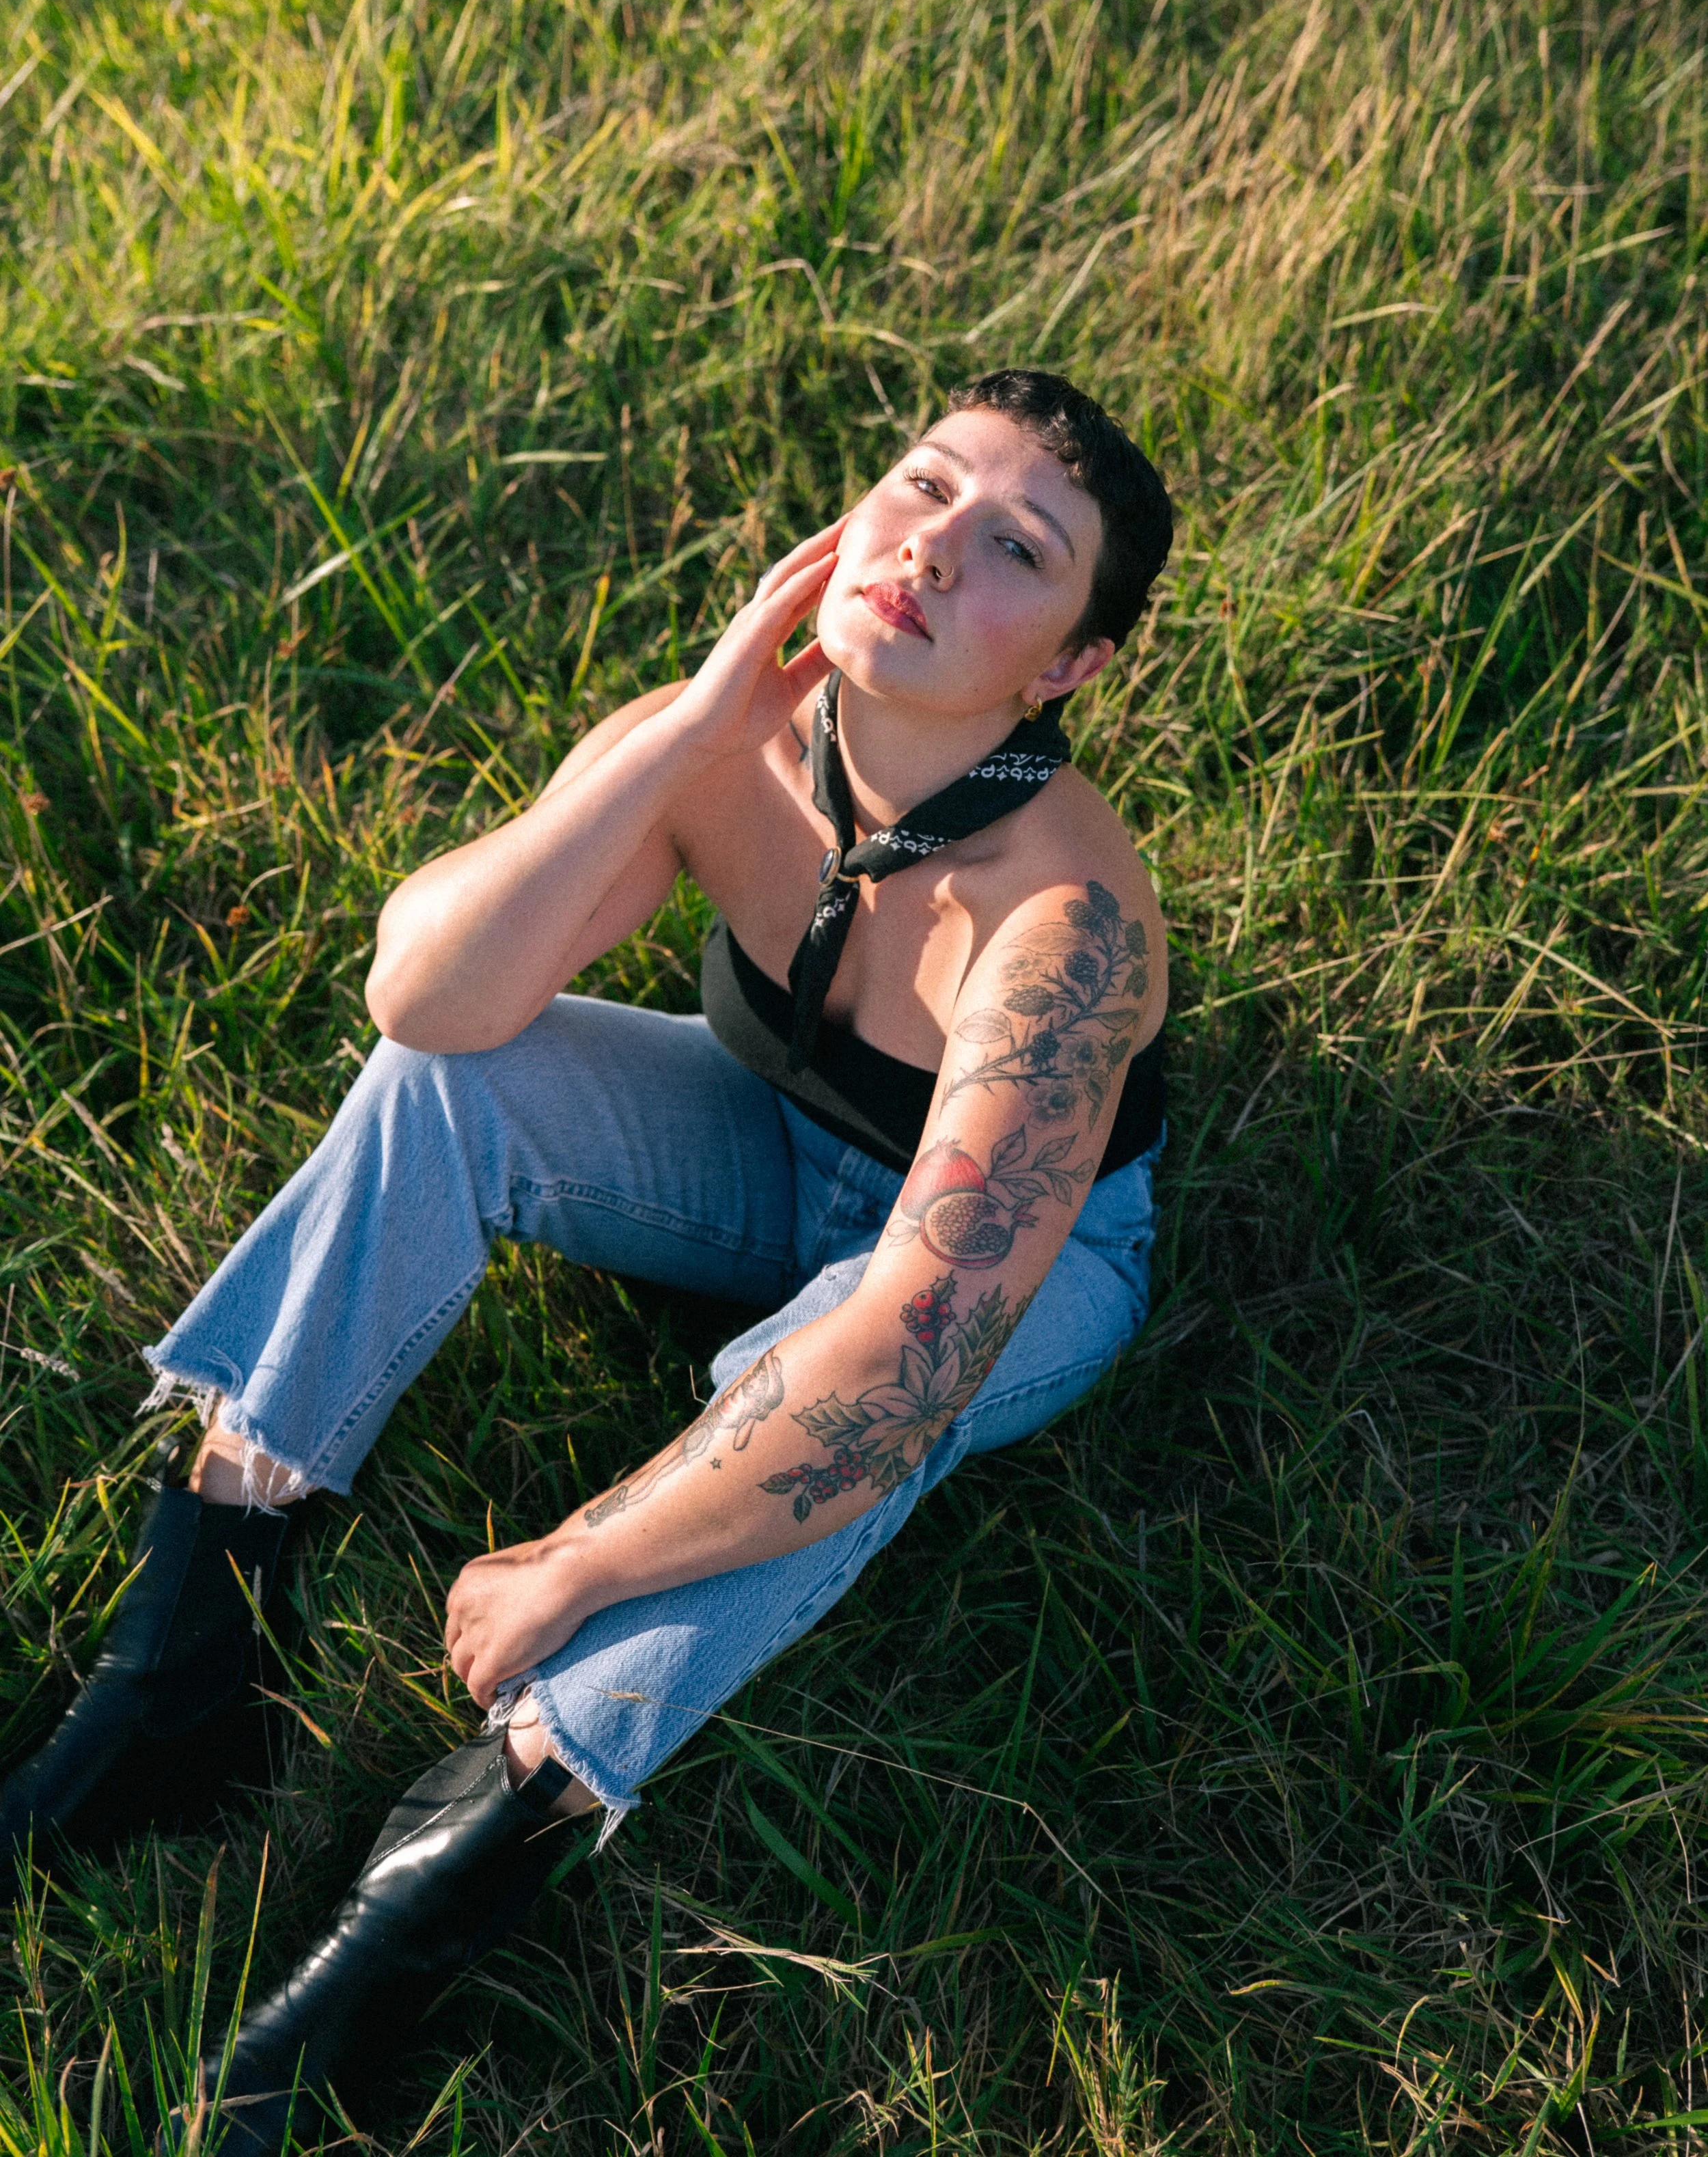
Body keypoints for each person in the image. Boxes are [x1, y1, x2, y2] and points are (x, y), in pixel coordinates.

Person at [1, 370, 1172, 2152]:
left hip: (1012, 1278)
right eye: (922, 484)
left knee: (841, 1440)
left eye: (1014, 546)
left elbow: (904, 1362)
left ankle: (408, 1924)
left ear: (1069, 666)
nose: (932, 544)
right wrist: (695, 722)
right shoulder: (737, 742)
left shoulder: (1057, 928)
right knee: (435, 1083)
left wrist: (577, 1558)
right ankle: (188, 1660)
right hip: (764, 1146)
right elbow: (432, 999)